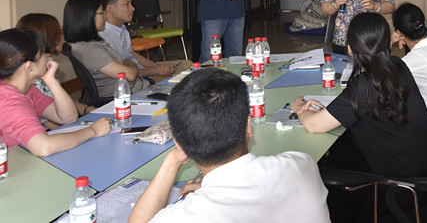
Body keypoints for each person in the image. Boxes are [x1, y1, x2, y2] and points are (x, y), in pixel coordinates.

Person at [128, 69, 330, 223]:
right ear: (248, 125)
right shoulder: (302, 164)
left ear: (180, 144)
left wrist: (172, 161)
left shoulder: (188, 216)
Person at [290, 12, 427, 222]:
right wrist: (334, 111)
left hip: (397, 191)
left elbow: (313, 125)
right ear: (388, 42)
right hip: (422, 178)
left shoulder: (365, 85)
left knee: (324, 172)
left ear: (350, 49)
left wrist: (299, 108)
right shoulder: (398, 66)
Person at [0, 28, 111, 157]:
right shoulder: (10, 101)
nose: (48, 57)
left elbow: (68, 117)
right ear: (28, 66)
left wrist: (50, 80)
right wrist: (92, 131)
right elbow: (43, 147)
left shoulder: (27, 90)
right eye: (42, 53)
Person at [63, 0, 149, 100]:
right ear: (88, 17)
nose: (105, 17)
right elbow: (130, 75)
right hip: (126, 96)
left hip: (131, 90)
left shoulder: (85, 44)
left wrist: (127, 64)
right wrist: (131, 64)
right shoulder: (90, 49)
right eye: (102, 13)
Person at [16, 13, 97, 119]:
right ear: (45, 38)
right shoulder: (31, 76)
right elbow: (47, 121)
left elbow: (60, 102)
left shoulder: (46, 66)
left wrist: (89, 110)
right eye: (58, 33)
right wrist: (89, 127)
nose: (63, 37)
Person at [98, 0, 174, 80]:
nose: (133, 8)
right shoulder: (104, 36)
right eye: (127, 4)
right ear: (110, 9)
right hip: (135, 81)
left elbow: (131, 54)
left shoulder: (122, 29)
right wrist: (156, 71)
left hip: (142, 73)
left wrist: (156, 66)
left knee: (185, 67)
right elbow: (123, 72)